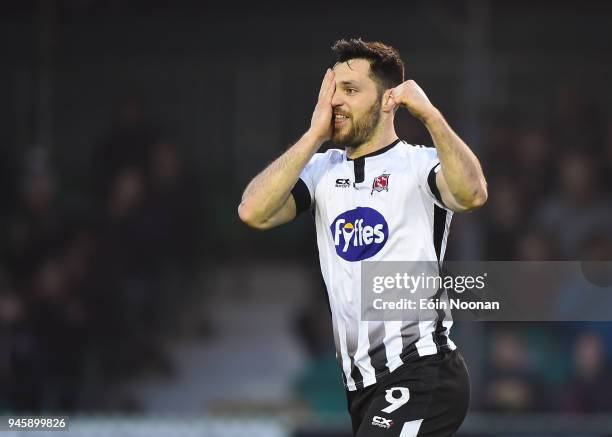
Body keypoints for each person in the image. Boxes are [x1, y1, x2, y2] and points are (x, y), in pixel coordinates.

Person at [238, 39, 487, 436]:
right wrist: (313, 136)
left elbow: (473, 194)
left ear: (389, 100)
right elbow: (252, 211)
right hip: (363, 386)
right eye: (333, 89)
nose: (337, 101)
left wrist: (430, 116)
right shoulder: (321, 170)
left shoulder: (419, 164)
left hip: (423, 371)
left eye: (351, 90)